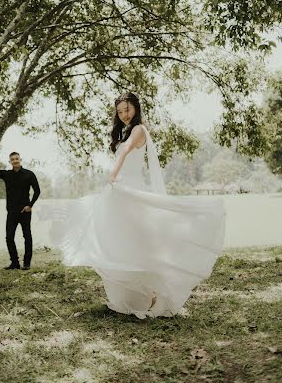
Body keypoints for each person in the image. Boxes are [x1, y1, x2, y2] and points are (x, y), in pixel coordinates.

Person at [51, 92, 226, 318]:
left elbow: (124, 151)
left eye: (128, 110)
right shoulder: (125, 130)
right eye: (120, 111)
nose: (124, 115)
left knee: (141, 239)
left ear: (136, 108)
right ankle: (138, 293)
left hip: (130, 189)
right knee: (121, 238)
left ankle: (157, 291)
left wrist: (113, 173)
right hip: (119, 189)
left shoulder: (139, 129)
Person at [0, 152, 41, 270]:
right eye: (12, 159)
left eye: (17, 159)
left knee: (27, 236)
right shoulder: (7, 174)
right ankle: (15, 263)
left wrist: (30, 205)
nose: (15, 161)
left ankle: (26, 263)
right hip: (12, 212)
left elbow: (37, 191)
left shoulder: (29, 174)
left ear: (20, 159)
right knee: (9, 237)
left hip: (25, 212)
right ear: (10, 162)